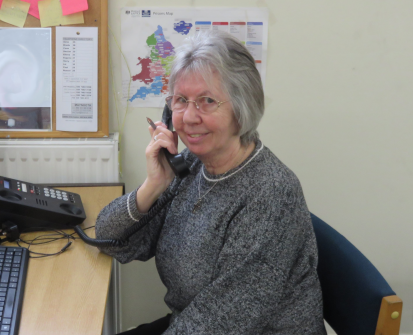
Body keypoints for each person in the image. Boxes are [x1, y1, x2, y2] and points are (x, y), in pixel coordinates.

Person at [95, 31, 325, 334]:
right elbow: (111, 239)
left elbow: (224, 319)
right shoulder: (190, 165)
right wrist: (154, 184)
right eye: (180, 100)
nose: (189, 117)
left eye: (207, 101)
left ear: (242, 109)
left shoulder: (271, 193)